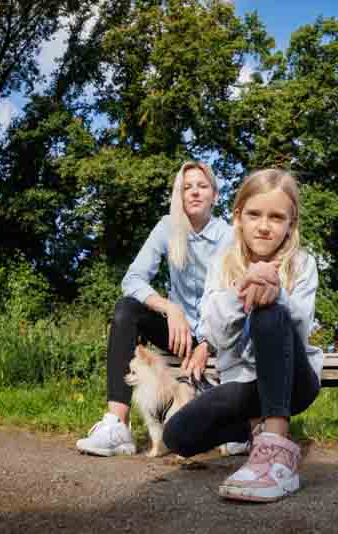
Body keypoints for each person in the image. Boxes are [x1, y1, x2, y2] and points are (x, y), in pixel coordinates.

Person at [163, 169, 322, 503]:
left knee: (271, 310)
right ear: (238, 217)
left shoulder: (303, 263)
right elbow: (213, 331)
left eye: (277, 217)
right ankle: (254, 429)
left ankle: (277, 449)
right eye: (254, 214)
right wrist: (241, 289)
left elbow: (301, 326)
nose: (264, 226)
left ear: (290, 224)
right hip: (243, 384)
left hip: (296, 383)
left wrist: (273, 289)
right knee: (177, 435)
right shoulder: (222, 263)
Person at [76, 161, 231, 457]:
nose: (194, 192)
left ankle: (242, 428)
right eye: (187, 187)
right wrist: (170, 308)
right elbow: (132, 279)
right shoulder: (167, 227)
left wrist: (208, 344)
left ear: (215, 194)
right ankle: (117, 427)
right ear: (179, 195)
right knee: (126, 310)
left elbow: (235, 302)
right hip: (178, 335)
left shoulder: (229, 236)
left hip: (218, 337)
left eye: (202, 186)